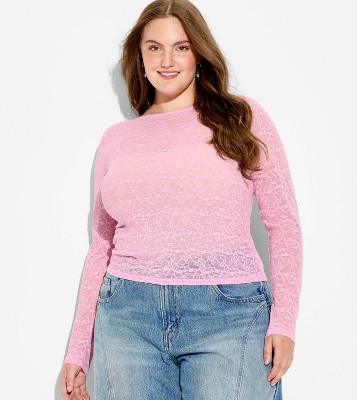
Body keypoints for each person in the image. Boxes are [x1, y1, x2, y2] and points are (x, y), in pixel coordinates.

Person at [61, 1, 303, 399]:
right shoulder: (116, 140)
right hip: (126, 318)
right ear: (139, 57)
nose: (167, 60)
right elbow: (102, 245)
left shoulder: (241, 118)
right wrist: (78, 351)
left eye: (181, 47)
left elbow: (284, 223)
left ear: (199, 54)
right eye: (154, 47)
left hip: (230, 315)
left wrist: (285, 322)